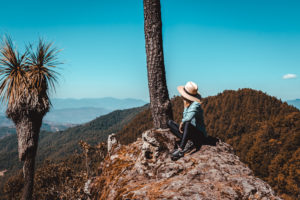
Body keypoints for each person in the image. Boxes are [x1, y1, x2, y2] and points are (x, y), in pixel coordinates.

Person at [167, 81, 207, 160]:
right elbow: (185, 117)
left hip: (199, 134)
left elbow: (188, 118)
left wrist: (182, 123)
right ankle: (187, 141)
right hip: (190, 132)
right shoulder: (188, 103)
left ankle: (181, 150)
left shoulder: (196, 104)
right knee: (170, 123)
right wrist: (185, 106)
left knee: (187, 124)